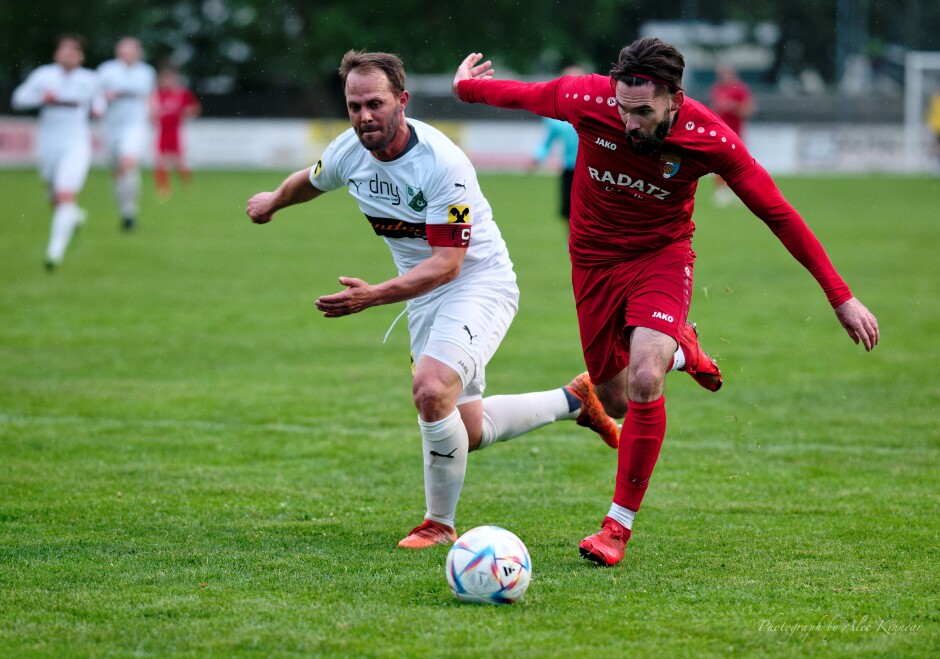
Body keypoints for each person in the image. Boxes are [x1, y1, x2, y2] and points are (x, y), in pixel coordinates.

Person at [246, 50, 716, 550]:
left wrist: (374, 297)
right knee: (464, 431)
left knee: (431, 390)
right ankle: (575, 399)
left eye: (375, 104)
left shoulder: (441, 163)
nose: (364, 116)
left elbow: (448, 264)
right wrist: (273, 201)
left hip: (478, 285)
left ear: (402, 101)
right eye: (354, 105)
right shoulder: (349, 150)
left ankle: (438, 523)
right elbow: (311, 179)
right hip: (425, 296)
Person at [453, 37, 879, 566]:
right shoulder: (589, 99)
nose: (630, 122)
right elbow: (523, 96)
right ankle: (685, 350)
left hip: (662, 256)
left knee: (646, 377)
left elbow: (778, 214)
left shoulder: (709, 138)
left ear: (674, 99)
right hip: (592, 263)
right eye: (624, 108)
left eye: (644, 112)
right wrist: (468, 87)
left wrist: (840, 295)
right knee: (614, 401)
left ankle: (615, 529)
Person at [11, 33, 103, 270]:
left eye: (73, 51)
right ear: (56, 54)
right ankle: (75, 217)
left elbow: (100, 105)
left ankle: (54, 252)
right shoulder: (44, 76)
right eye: (64, 50)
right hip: (49, 144)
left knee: (64, 195)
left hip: (76, 145)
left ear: (81, 56)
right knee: (55, 200)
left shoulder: (90, 79)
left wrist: (99, 110)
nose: (68, 55)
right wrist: (41, 97)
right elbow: (18, 99)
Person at [97, 37, 157, 231]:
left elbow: (151, 96)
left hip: (135, 125)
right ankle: (125, 211)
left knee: (128, 162)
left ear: (138, 53)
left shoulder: (146, 72)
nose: (126, 56)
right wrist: (103, 99)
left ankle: (131, 211)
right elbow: (94, 96)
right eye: (123, 52)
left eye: (130, 52)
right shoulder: (107, 70)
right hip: (111, 126)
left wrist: (153, 113)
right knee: (117, 171)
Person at [531, 66, 584, 222]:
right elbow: (547, 142)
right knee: (569, 213)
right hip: (570, 170)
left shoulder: (595, 112)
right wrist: (537, 157)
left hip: (593, 171)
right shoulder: (556, 118)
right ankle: (572, 244)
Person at [151, 66, 201, 199]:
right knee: (161, 161)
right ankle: (163, 189)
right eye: (164, 79)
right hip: (162, 131)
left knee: (180, 161)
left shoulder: (182, 94)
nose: (167, 82)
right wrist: (154, 115)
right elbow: (151, 113)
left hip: (176, 131)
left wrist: (188, 112)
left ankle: (187, 185)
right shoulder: (157, 94)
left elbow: (194, 108)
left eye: (170, 79)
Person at [709, 65, 755, 206]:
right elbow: (714, 109)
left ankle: (740, 191)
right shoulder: (717, 88)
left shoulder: (741, 89)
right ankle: (721, 191)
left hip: (736, 134)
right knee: (719, 161)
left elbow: (749, 110)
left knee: (738, 163)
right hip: (720, 132)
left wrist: (733, 106)